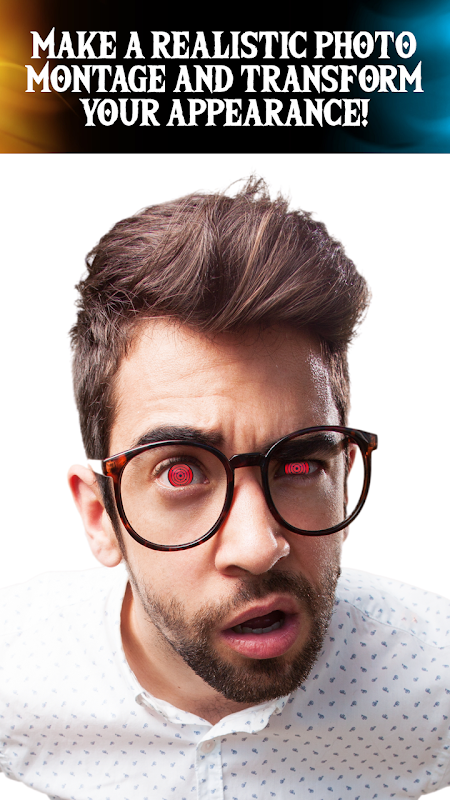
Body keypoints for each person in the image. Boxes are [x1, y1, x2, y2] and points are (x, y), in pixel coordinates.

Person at [1, 178, 449, 799]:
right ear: (100, 514)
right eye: (180, 472)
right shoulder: (15, 669)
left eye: (300, 466)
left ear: (344, 477)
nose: (258, 547)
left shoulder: (434, 680)